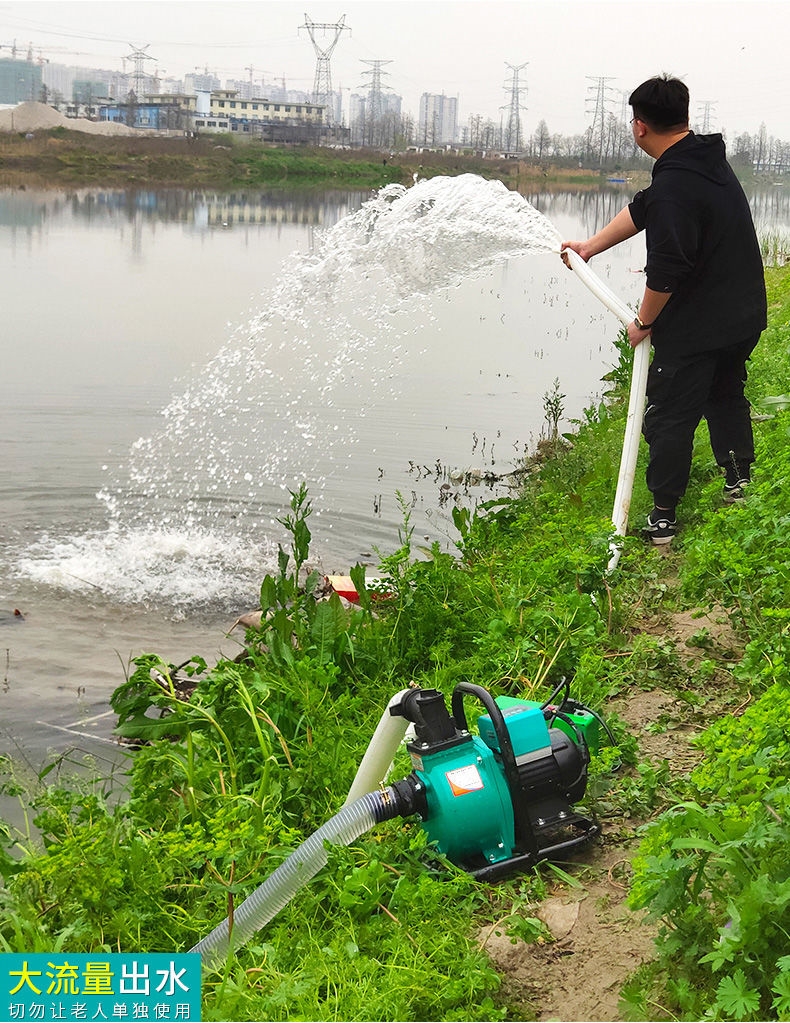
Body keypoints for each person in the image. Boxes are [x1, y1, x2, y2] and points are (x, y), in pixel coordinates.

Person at [561, 74, 767, 545]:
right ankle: (739, 483)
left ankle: (663, 518)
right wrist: (590, 246)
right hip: (742, 315)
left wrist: (644, 322)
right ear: (685, 117)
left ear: (638, 127)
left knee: (670, 413)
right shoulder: (703, 158)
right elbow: (645, 207)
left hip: (700, 324)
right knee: (725, 394)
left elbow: (668, 267)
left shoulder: (676, 179)